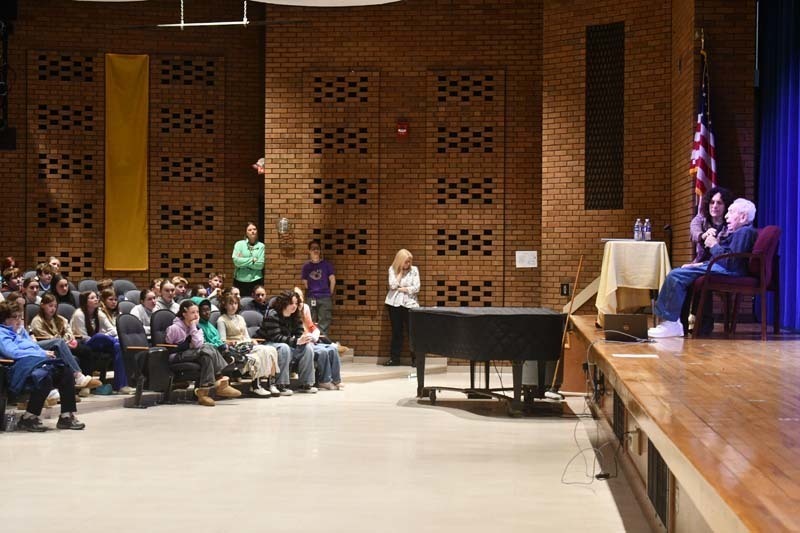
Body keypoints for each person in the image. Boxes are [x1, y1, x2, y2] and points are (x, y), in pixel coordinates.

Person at [648, 198, 759, 338]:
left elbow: (731, 261)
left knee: (677, 275)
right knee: (680, 272)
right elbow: (727, 257)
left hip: (731, 271)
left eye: (730, 212)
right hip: (723, 267)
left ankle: (671, 323)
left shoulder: (744, 232)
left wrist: (713, 245)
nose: (726, 216)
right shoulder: (739, 232)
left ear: (743, 217)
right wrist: (699, 264)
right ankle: (674, 322)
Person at [0, 301, 86, 431]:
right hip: (18, 369)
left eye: (20, 316)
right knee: (43, 377)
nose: (18, 320)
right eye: (14, 317)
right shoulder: (2, 333)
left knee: (65, 372)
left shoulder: (20, 331)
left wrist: (41, 353)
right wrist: (40, 353)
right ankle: (29, 418)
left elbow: (35, 347)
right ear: (4, 320)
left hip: (35, 364)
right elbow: (13, 352)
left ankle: (66, 416)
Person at [30, 293, 111, 395]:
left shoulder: (60, 319)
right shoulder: (37, 321)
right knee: (77, 352)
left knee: (86, 350)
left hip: (65, 344)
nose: (53, 309)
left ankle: (84, 384)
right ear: (42, 305)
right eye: (50, 306)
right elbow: (46, 338)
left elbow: (69, 332)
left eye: (55, 306)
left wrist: (66, 340)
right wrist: (62, 341)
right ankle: (78, 379)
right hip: (51, 348)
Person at [165, 300, 241, 406]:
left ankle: (203, 393)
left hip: (195, 353)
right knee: (207, 349)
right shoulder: (174, 328)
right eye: (193, 312)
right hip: (177, 355)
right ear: (184, 314)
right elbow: (169, 347)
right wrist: (187, 344)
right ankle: (220, 379)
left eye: (197, 312)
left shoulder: (197, 326)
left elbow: (198, 344)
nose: (196, 315)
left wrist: (193, 327)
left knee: (206, 355)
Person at [216, 293, 279, 397]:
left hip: (246, 344)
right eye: (230, 303)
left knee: (270, 349)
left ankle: (271, 383)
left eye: (235, 303)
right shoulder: (221, 320)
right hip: (234, 347)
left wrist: (251, 341)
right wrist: (231, 342)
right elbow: (222, 340)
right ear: (225, 305)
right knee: (260, 353)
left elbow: (246, 335)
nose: (233, 306)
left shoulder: (240, 318)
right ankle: (255, 386)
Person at [256, 290, 317, 395]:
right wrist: (296, 341)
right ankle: (281, 385)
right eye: (291, 303)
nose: (294, 306)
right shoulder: (272, 314)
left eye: (296, 303)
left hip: (285, 343)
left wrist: (303, 339)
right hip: (268, 343)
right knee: (284, 348)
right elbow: (275, 337)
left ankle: (306, 384)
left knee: (307, 347)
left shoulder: (295, 315)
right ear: (284, 303)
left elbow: (298, 333)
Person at [70, 291, 128, 394]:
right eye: (92, 298)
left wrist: (105, 336)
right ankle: (113, 341)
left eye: (96, 297)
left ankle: (120, 385)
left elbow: (113, 330)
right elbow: (84, 337)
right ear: (85, 301)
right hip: (83, 345)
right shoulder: (79, 314)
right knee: (99, 336)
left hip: (97, 342)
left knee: (118, 346)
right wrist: (104, 336)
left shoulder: (99, 313)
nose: (96, 299)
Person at [294, 287, 342, 390]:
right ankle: (324, 381)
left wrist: (314, 334)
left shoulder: (304, 309)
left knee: (333, 349)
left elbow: (311, 326)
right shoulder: (292, 313)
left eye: (301, 301)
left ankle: (336, 380)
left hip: (310, 340)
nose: (300, 304)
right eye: (298, 302)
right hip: (302, 343)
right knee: (323, 351)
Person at [384, 249, 420, 366]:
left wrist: (402, 289)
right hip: (394, 305)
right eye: (405, 262)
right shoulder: (392, 269)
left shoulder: (414, 270)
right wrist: (399, 273)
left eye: (409, 262)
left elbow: (416, 288)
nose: (408, 264)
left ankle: (416, 359)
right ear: (399, 261)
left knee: (412, 332)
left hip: (410, 305)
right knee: (396, 332)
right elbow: (392, 285)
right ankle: (394, 359)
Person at [300, 239, 336, 337]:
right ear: (309, 251)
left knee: (324, 323)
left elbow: (332, 280)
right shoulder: (306, 266)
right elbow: (305, 283)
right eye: (313, 249)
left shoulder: (326, 265)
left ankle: (322, 344)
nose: (315, 250)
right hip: (311, 297)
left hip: (325, 297)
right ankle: (311, 343)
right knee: (309, 321)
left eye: (317, 248)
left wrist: (329, 293)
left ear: (320, 250)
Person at [690, 187, 734, 263]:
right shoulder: (701, 218)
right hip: (700, 262)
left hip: (719, 264)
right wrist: (703, 235)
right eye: (712, 202)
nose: (714, 206)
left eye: (719, 203)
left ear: (726, 206)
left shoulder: (730, 223)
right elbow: (694, 229)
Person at [231, 222, 265, 296]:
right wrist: (252, 260)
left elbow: (260, 265)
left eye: (254, 229)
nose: (252, 231)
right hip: (239, 280)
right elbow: (236, 261)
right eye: (249, 230)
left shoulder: (261, 246)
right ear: (246, 232)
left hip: (256, 280)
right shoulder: (239, 244)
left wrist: (243, 261)